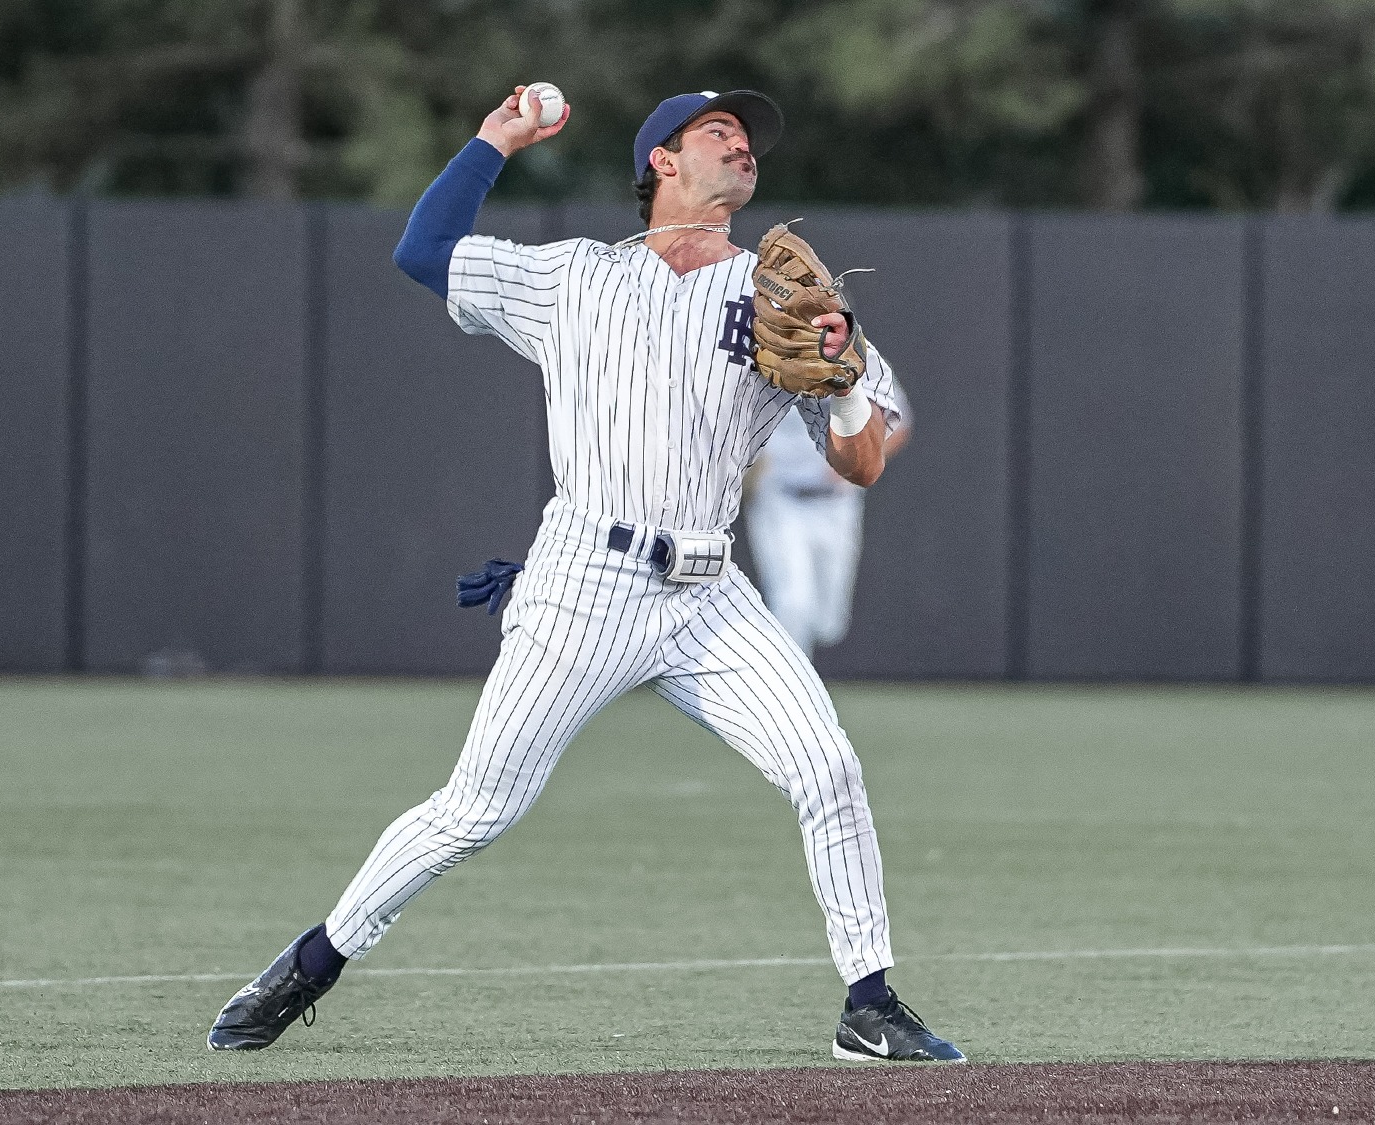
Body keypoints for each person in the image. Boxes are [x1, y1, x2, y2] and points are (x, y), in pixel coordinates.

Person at [207, 85, 962, 1064]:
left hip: (708, 596)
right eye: (717, 134)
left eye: (748, 140)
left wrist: (849, 372)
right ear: (661, 163)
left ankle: (868, 1004)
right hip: (583, 583)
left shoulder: (787, 301)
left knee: (827, 766)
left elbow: (861, 463)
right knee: (475, 811)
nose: (742, 147)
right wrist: (492, 139)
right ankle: (311, 962)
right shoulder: (573, 278)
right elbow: (421, 253)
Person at [746, 398, 912, 660]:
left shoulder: (860, 361)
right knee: (793, 603)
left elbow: (899, 423)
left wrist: (860, 460)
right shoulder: (764, 360)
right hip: (780, 499)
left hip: (836, 504)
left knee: (829, 622)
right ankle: (793, 685)